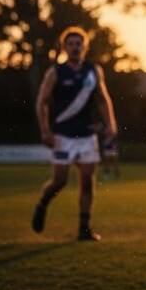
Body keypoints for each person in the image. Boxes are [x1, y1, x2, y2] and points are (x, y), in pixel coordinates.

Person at [31, 27, 118, 241]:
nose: (75, 47)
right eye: (70, 43)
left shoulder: (93, 71)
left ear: (84, 47)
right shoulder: (55, 72)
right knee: (59, 181)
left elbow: (103, 99)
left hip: (87, 136)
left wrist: (110, 124)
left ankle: (84, 228)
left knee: (87, 180)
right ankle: (42, 203)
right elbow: (41, 102)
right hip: (63, 136)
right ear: (64, 47)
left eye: (78, 43)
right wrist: (45, 130)